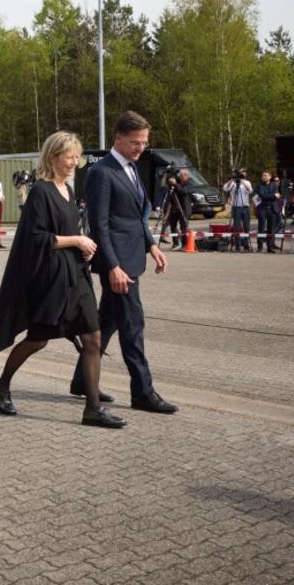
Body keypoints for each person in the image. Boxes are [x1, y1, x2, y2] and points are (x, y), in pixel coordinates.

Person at [0, 132, 125, 428]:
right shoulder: (41, 191)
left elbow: (68, 230)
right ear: (52, 157)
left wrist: (83, 247)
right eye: (69, 156)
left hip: (76, 274)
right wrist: (76, 239)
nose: (75, 162)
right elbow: (35, 238)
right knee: (38, 340)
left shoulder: (69, 191)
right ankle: (2, 385)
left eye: (78, 156)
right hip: (52, 278)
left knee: (93, 337)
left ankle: (92, 409)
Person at [68, 111, 176, 414]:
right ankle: (142, 392)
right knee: (133, 326)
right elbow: (99, 223)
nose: (140, 147)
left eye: (143, 142)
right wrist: (113, 265)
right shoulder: (102, 172)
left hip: (132, 257)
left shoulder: (131, 168)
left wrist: (152, 246)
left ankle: (81, 380)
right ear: (118, 138)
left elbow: (136, 216)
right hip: (119, 265)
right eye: (134, 142)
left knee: (106, 322)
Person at [159, 170, 192, 249]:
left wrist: (175, 184)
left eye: (182, 175)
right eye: (179, 175)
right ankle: (176, 243)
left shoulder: (189, 183)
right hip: (174, 208)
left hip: (184, 208)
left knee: (183, 227)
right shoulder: (177, 181)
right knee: (173, 226)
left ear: (186, 176)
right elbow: (166, 188)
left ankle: (184, 244)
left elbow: (184, 191)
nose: (180, 177)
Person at [223, 168, 253, 252]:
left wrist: (242, 182)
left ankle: (246, 244)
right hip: (236, 208)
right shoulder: (233, 183)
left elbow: (250, 190)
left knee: (246, 226)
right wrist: (232, 180)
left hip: (245, 207)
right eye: (240, 172)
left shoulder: (247, 182)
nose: (241, 174)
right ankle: (237, 245)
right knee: (236, 227)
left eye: (243, 172)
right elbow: (225, 189)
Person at [253, 171, 281, 253]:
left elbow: (277, 196)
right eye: (262, 175)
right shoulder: (260, 186)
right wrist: (273, 196)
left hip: (272, 209)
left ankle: (270, 247)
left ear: (270, 177)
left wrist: (273, 196)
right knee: (261, 227)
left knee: (271, 229)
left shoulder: (274, 185)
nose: (264, 177)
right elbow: (262, 196)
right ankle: (260, 247)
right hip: (262, 209)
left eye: (265, 175)